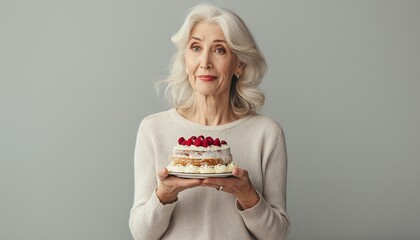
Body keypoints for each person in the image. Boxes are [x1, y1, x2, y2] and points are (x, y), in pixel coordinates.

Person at [129, 3, 289, 240]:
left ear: (239, 65)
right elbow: (142, 234)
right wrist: (164, 194)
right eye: (195, 47)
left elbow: (277, 234)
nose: (205, 62)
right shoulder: (153, 129)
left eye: (220, 50)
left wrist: (247, 195)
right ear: (185, 59)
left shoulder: (266, 133)